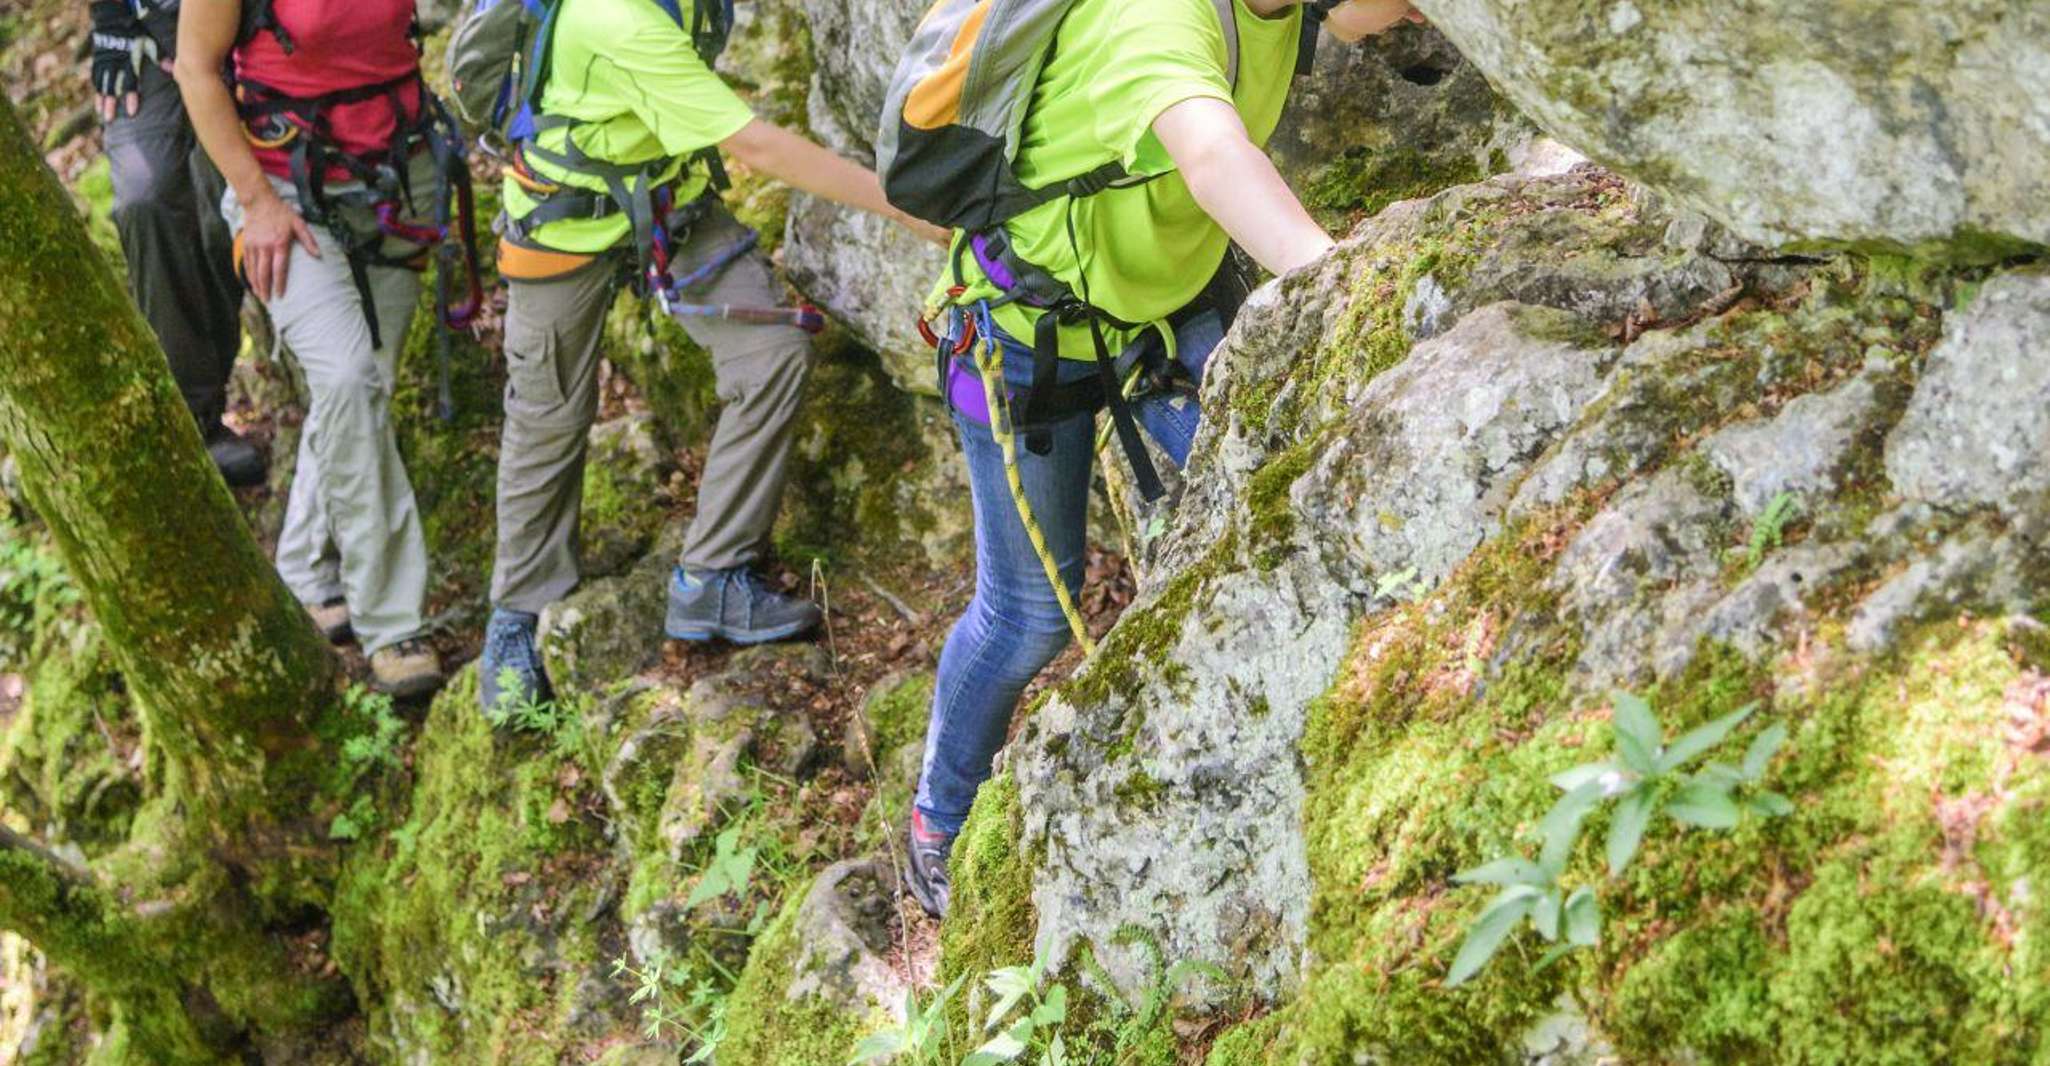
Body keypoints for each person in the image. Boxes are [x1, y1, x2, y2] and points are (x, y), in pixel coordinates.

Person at [903, 0, 1426, 917]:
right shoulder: (1152, 22)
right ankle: (935, 824)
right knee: (1027, 615)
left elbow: (1358, 19)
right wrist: (1352, 296)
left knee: (1276, 492)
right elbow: (1216, 154)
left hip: (1165, 301)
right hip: (1027, 334)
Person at [472, 0, 945, 714]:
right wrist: (903, 206)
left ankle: (713, 577)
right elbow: (758, 149)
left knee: (772, 354)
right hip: (562, 219)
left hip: (670, 199)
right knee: (550, 415)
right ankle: (516, 612)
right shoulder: (613, 20)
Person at [175, 0, 453, 696]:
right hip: (284, 195)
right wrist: (257, 201)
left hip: (399, 174)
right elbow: (196, 71)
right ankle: (392, 625)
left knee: (360, 388)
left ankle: (301, 568)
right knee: (352, 377)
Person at [90, 0, 265, 487]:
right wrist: (111, 23)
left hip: (254, 31)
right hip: (147, 32)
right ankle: (194, 424)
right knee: (145, 201)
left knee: (220, 206)